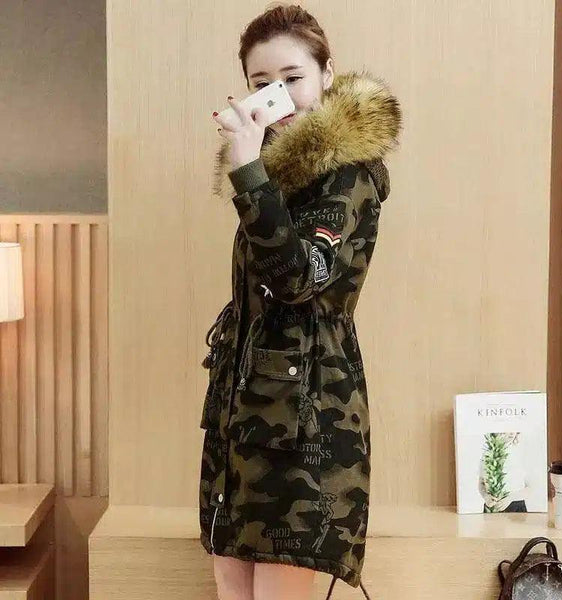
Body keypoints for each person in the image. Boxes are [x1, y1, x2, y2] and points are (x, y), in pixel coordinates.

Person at [199, 4, 402, 600]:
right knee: (230, 583)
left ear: (326, 75)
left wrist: (248, 174)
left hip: (307, 418)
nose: (279, 96)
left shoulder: (349, 174)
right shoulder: (272, 172)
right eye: (261, 82)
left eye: (293, 78)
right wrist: (255, 172)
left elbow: (299, 279)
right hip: (243, 414)